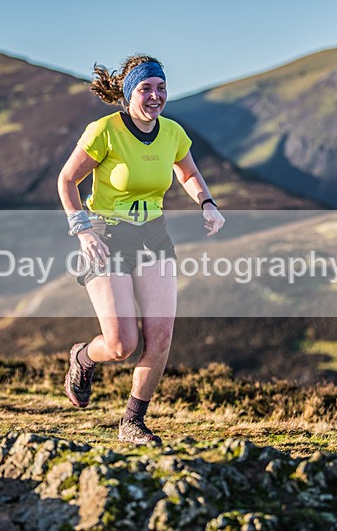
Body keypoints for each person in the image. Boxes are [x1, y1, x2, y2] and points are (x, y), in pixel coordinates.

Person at [57, 55, 225, 444]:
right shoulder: (105, 131)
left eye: (161, 88)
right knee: (121, 345)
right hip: (106, 236)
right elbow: (67, 180)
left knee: (161, 336)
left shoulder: (172, 133)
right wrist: (82, 230)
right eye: (146, 88)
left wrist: (207, 203)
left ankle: (133, 421)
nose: (155, 96)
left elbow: (188, 172)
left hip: (153, 237)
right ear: (129, 93)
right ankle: (83, 357)